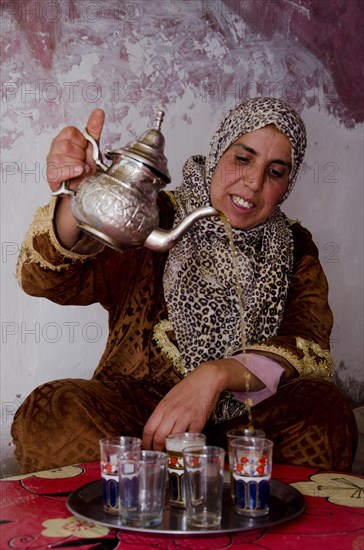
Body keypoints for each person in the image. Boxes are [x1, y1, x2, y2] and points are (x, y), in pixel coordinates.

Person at [12, 97, 357, 474]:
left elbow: (308, 344)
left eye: (275, 172)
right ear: (219, 150)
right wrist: (79, 198)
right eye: (242, 159)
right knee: (52, 410)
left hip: (247, 426)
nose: (254, 182)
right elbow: (45, 280)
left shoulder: (294, 244)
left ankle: (202, 495)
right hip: (141, 421)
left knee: (325, 410)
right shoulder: (152, 213)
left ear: (287, 184)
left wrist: (214, 376)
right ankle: (170, 496)